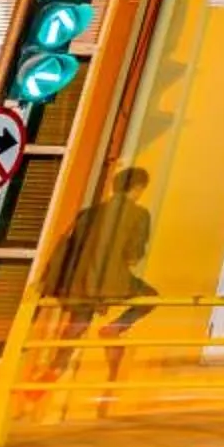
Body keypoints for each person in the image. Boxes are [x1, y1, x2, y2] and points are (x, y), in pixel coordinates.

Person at [29, 166, 158, 400]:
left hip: (79, 282)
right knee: (150, 297)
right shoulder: (139, 215)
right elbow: (133, 255)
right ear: (138, 189)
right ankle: (115, 328)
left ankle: (55, 369)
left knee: (77, 325)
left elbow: (70, 247)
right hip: (110, 283)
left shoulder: (88, 213)